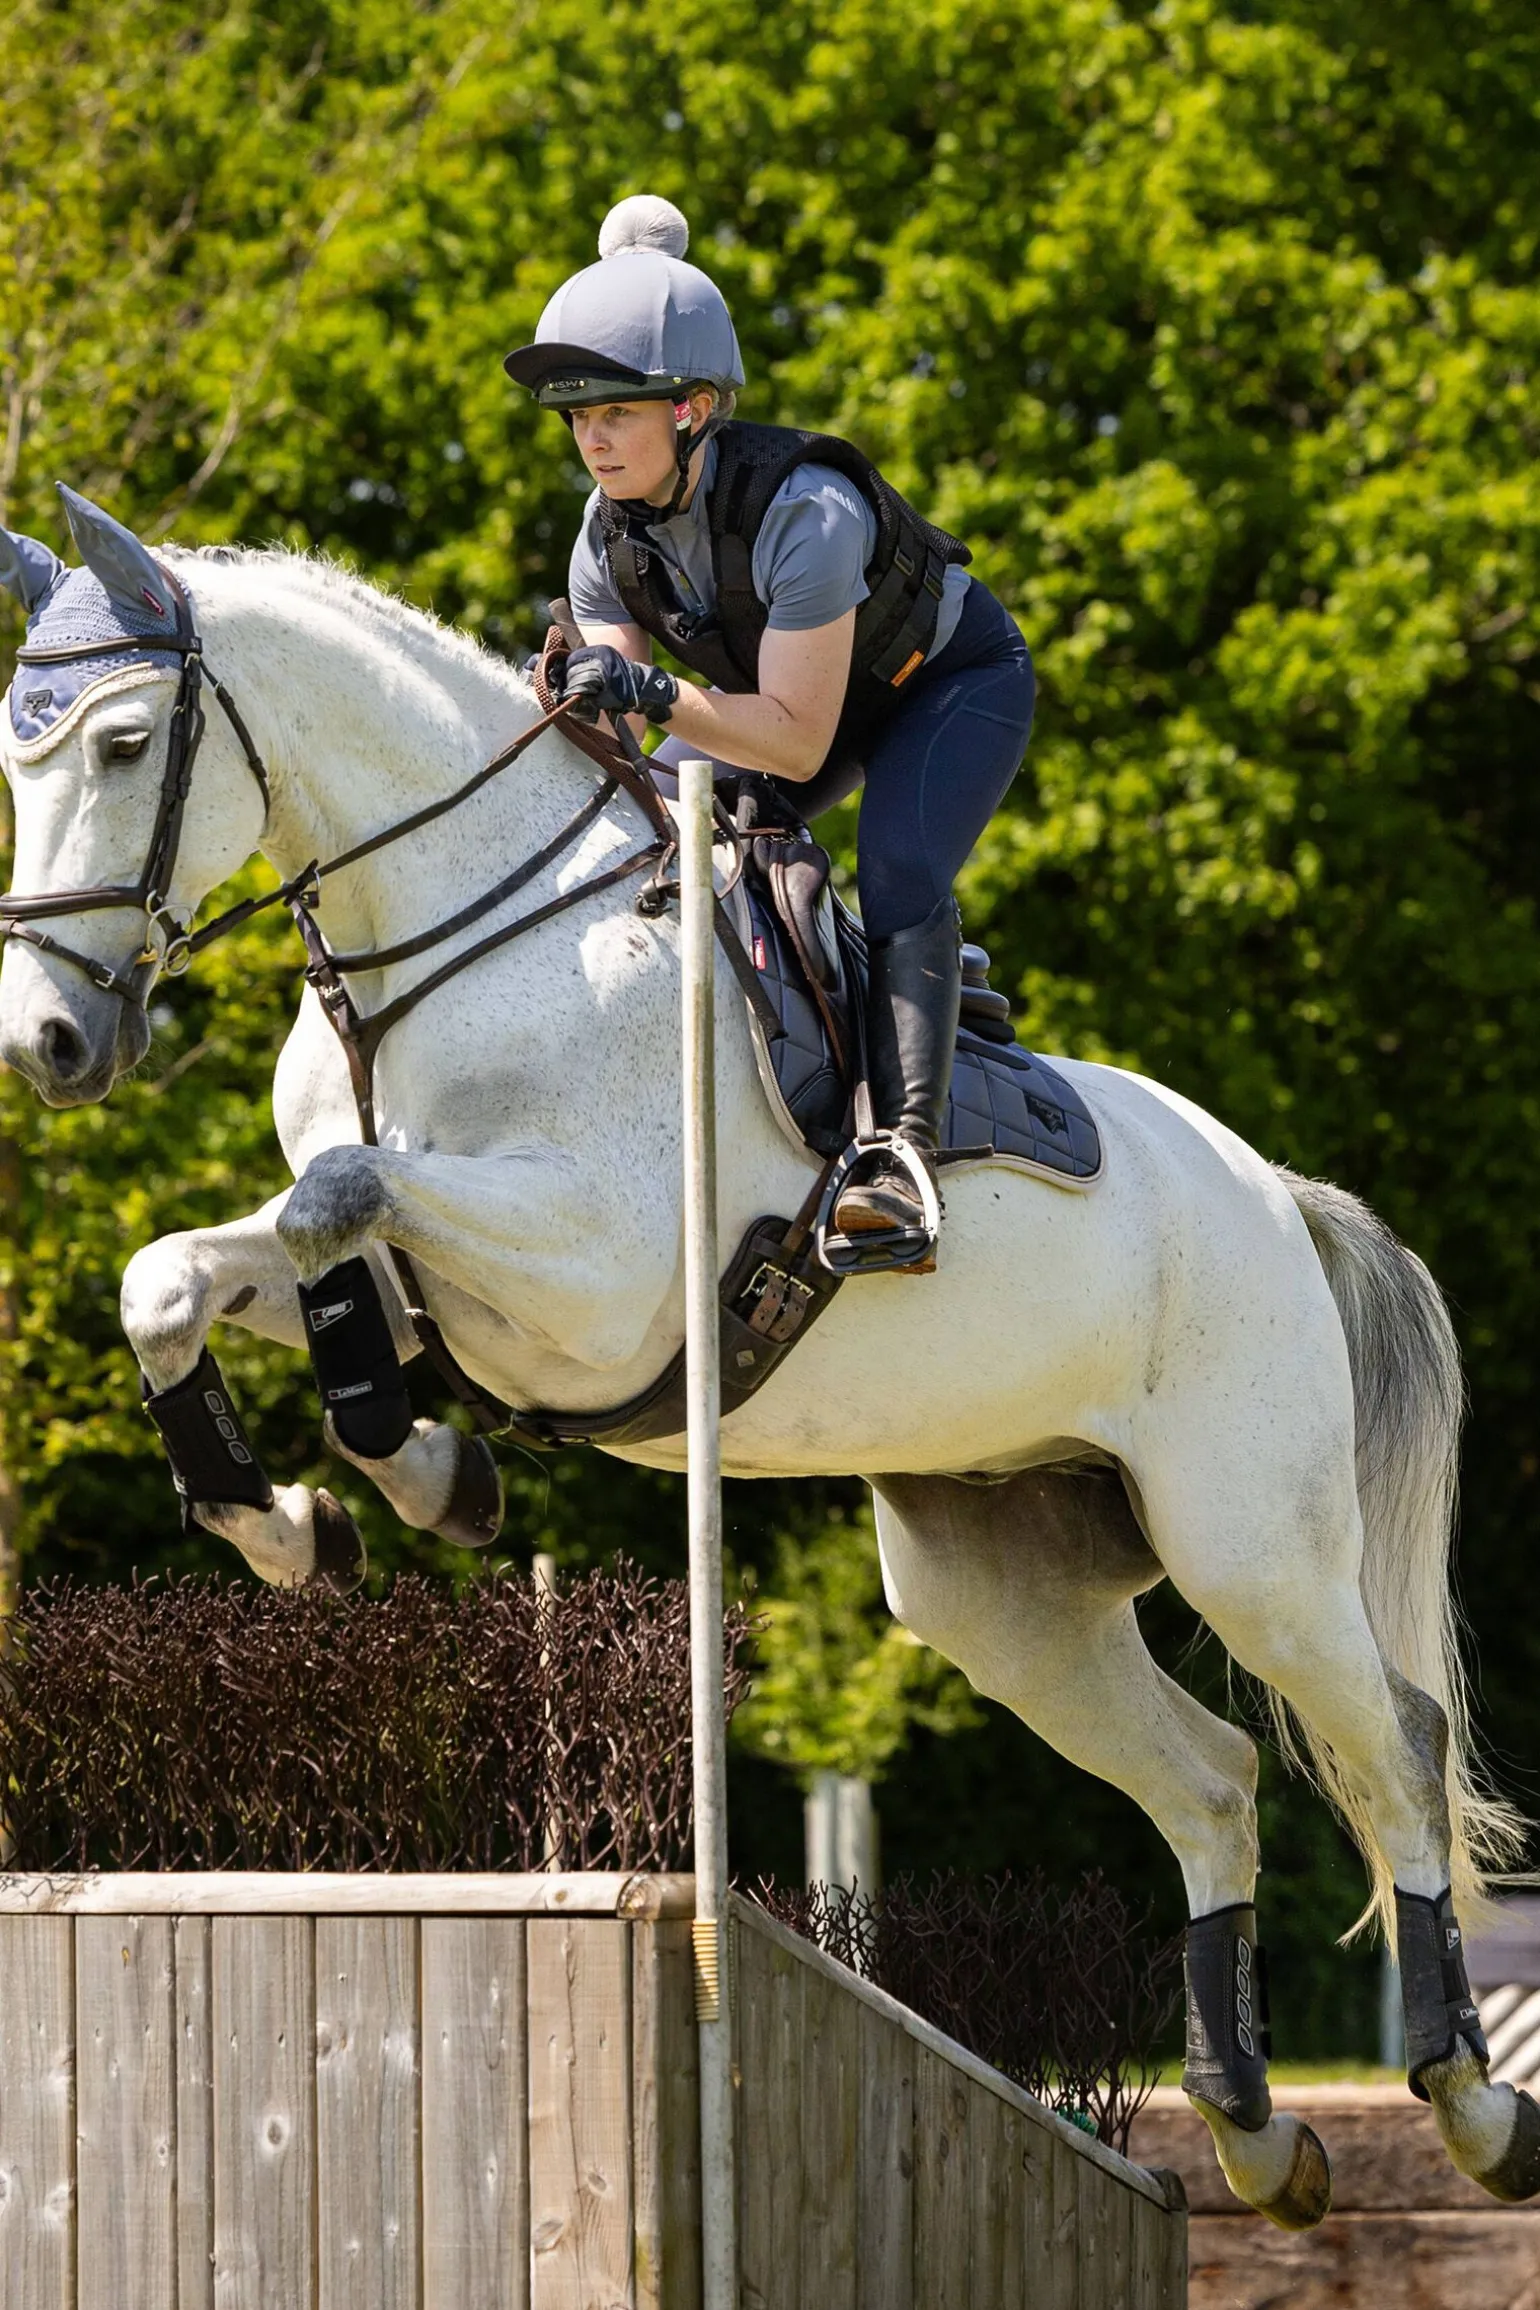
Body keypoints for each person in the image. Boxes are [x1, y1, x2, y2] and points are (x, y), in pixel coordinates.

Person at [504, 195, 1035, 1268]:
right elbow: (628, 750)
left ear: (693, 408)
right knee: (639, 836)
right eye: (576, 417)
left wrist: (645, 694)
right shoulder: (604, 538)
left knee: (897, 868)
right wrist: (564, 699)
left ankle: (901, 1158)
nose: (591, 439)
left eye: (616, 412)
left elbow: (792, 747)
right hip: (790, 702)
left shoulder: (806, 510)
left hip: (941, 688)